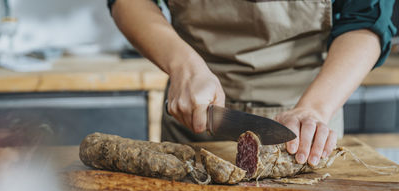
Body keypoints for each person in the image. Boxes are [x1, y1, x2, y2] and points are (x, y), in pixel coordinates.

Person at [107, 0, 396, 166]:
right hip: (197, 112)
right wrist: (183, 65)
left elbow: (367, 17)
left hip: (306, 124)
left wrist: (315, 108)